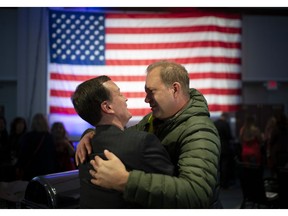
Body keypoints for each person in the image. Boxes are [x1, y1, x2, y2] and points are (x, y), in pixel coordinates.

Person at [76, 61, 221, 208]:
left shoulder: (199, 131)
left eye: (151, 91)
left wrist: (126, 181)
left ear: (175, 89)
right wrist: (92, 134)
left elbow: (197, 194)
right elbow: (122, 137)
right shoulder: (153, 121)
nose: (146, 99)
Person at [71, 75, 174, 208]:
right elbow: (175, 192)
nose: (125, 98)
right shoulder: (142, 143)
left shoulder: (85, 148)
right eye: (119, 94)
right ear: (108, 107)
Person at [16, 113, 59, 181]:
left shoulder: (27, 137)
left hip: (30, 171)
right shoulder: (49, 137)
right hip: (46, 171)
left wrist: (19, 166)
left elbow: (23, 154)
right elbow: (53, 156)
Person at [214, 112, 234, 189]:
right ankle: (224, 184)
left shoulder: (214, 123)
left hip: (216, 147)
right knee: (225, 166)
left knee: (217, 167)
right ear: (225, 117)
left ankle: (217, 183)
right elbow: (229, 136)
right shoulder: (225, 124)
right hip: (225, 148)